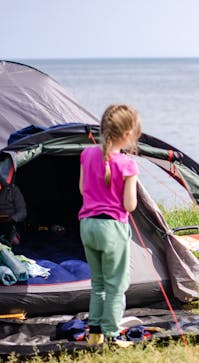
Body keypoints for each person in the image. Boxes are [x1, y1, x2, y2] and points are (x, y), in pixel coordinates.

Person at [78, 104, 141, 347]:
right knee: (116, 285)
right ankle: (113, 335)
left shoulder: (86, 154)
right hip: (112, 228)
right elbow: (130, 205)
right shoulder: (127, 164)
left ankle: (95, 334)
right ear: (127, 135)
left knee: (99, 283)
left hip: (87, 225)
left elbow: (83, 190)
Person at [0, 177, 27, 247]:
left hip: (12, 222)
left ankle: (9, 236)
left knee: (14, 241)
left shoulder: (13, 190)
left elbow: (23, 212)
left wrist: (12, 218)